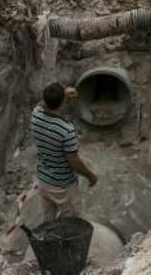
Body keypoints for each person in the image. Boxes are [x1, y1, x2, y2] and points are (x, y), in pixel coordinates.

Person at [30, 82, 98, 220]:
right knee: (72, 221)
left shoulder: (35, 115)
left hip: (43, 181)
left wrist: (61, 95)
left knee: (48, 221)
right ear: (62, 103)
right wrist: (91, 176)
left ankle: (48, 241)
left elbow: (41, 104)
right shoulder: (66, 130)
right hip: (63, 186)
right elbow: (73, 161)